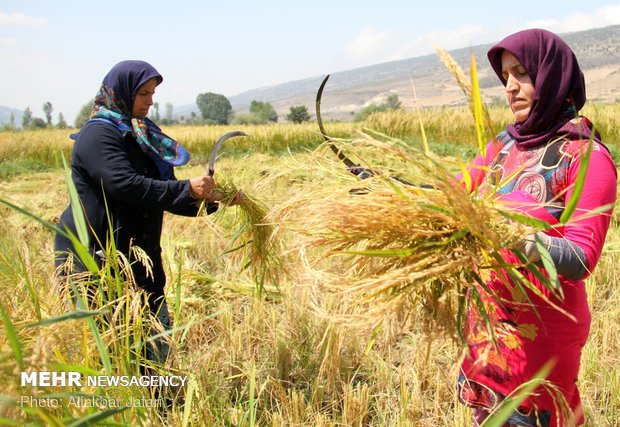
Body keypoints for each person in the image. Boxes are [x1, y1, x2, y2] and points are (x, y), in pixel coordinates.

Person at [456, 29, 617, 426]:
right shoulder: (503, 146)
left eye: (522, 73)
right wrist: (391, 190)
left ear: (552, 75)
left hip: (541, 336)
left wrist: (507, 230)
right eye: (505, 76)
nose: (510, 87)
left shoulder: (585, 156)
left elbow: (580, 258)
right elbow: (454, 197)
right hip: (488, 326)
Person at [54, 60, 241, 364]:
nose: (149, 102)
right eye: (143, 94)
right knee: (107, 349)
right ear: (123, 93)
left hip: (138, 256)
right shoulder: (99, 135)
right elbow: (125, 185)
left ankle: (155, 400)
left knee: (151, 342)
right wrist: (187, 189)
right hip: (96, 257)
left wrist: (212, 198)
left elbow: (159, 190)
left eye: (152, 94)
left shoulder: (140, 134)